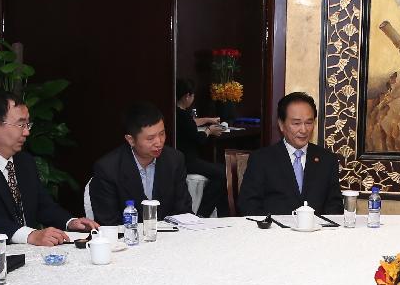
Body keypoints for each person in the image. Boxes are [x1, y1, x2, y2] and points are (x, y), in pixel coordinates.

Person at [0, 92, 98, 253]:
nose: (27, 132)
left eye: (28, 124)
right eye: (20, 125)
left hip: (28, 254)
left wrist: (70, 222)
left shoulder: (25, 162)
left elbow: (43, 205)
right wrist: (31, 235)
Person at [238, 92, 344, 216]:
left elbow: (335, 205)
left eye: (309, 123)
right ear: (281, 125)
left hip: (316, 232)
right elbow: (248, 204)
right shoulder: (261, 159)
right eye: (296, 123)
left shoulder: (327, 160)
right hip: (274, 232)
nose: (304, 130)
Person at [90, 101, 192, 225]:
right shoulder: (108, 168)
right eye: (150, 138)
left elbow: (183, 211)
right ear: (131, 140)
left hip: (169, 238)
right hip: (126, 240)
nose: (159, 142)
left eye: (162, 134)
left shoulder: (175, 160)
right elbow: (108, 223)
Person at [175, 78, 230, 217]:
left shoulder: (177, 113)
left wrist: (207, 120)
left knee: (221, 170)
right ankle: (203, 213)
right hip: (189, 161)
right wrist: (209, 131)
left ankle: (223, 214)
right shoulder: (183, 115)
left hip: (185, 158)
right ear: (187, 96)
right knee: (223, 173)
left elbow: (192, 123)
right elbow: (199, 139)